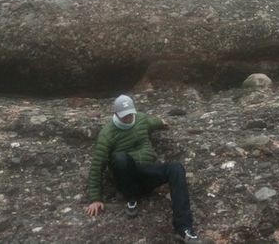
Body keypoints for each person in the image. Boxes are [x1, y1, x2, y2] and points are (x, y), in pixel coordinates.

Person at [85, 94, 199, 243]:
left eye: (130, 114)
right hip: (126, 179)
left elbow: (152, 122)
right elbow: (97, 165)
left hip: (147, 173)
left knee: (176, 167)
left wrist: (162, 122)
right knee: (120, 157)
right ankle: (131, 199)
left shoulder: (140, 119)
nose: (128, 118)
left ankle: (183, 228)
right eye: (124, 116)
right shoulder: (107, 134)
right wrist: (95, 198)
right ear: (116, 114)